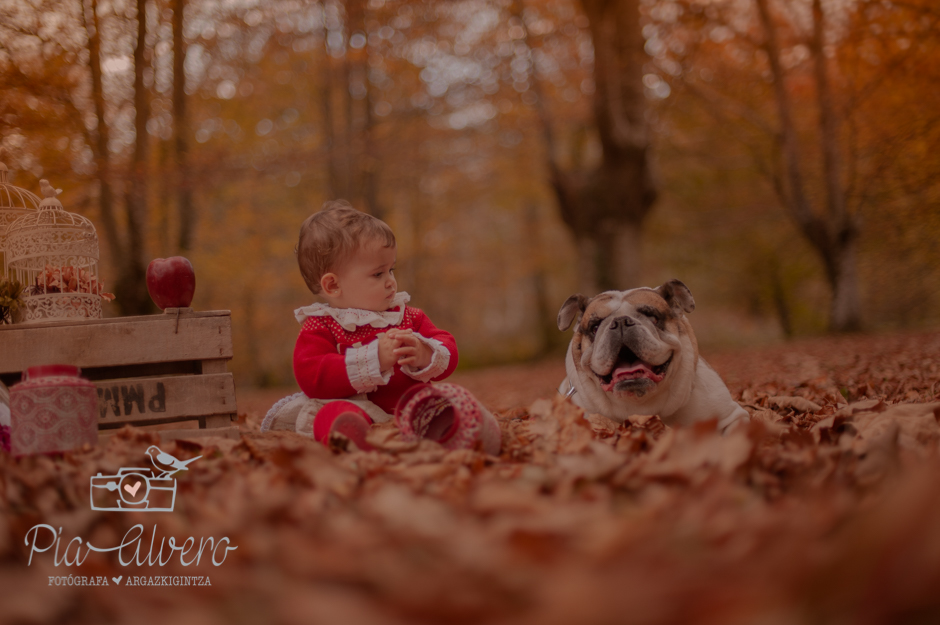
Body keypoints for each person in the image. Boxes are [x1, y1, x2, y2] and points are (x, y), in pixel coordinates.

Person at [260, 200, 460, 450]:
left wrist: (425, 352)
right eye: (378, 274)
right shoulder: (322, 326)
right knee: (331, 414)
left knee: (444, 404)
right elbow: (311, 375)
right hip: (358, 409)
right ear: (333, 285)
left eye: (391, 270)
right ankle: (351, 439)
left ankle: (459, 429)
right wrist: (375, 358)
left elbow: (448, 347)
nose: (390, 282)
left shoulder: (406, 316)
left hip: (410, 408)